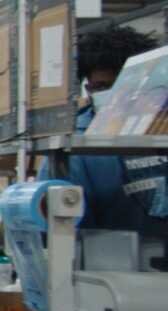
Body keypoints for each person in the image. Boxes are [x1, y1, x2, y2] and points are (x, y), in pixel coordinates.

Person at [38, 25, 167, 242]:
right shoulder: (75, 147)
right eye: (102, 87)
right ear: (88, 90)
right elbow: (60, 237)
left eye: (123, 86)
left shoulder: (161, 127)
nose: (117, 96)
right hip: (108, 270)